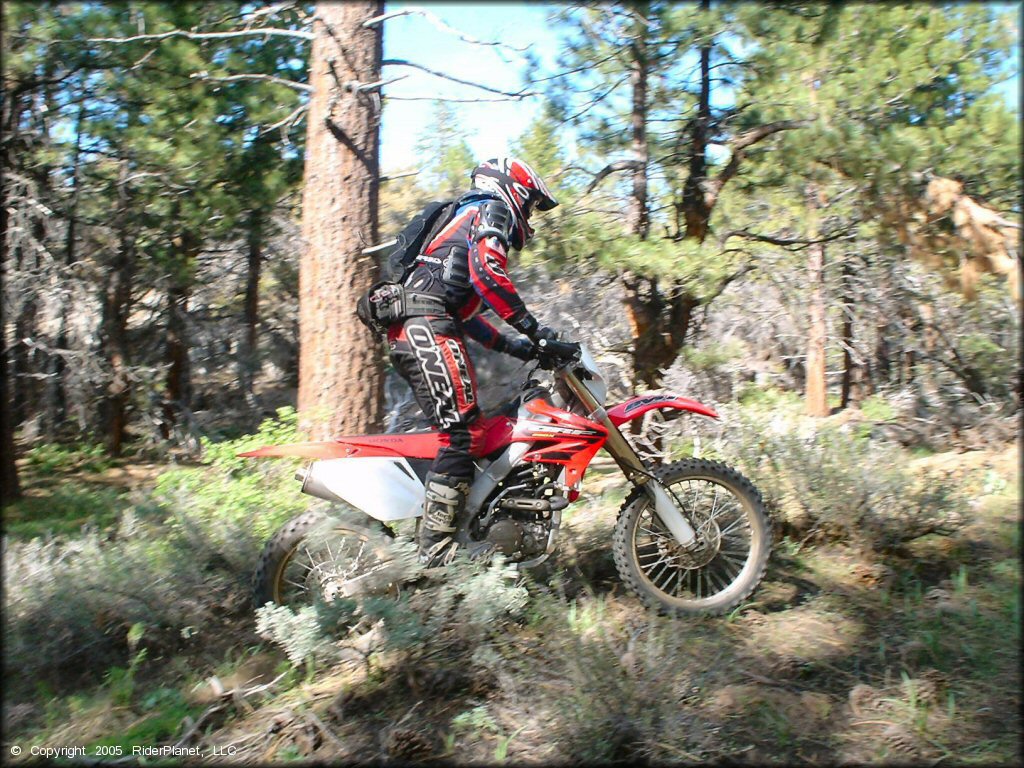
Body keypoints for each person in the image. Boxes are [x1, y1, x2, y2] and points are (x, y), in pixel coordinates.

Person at [386, 157, 560, 566]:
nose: (530, 217)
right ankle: (436, 553)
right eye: (531, 204)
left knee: (473, 429)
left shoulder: (468, 214)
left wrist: (516, 346)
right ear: (516, 191)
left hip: (423, 324)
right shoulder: (490, 208)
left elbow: (469, 316)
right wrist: (535, 331)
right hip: (424, 327)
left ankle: (465, 524)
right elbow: (488, 275)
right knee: (460, 436)